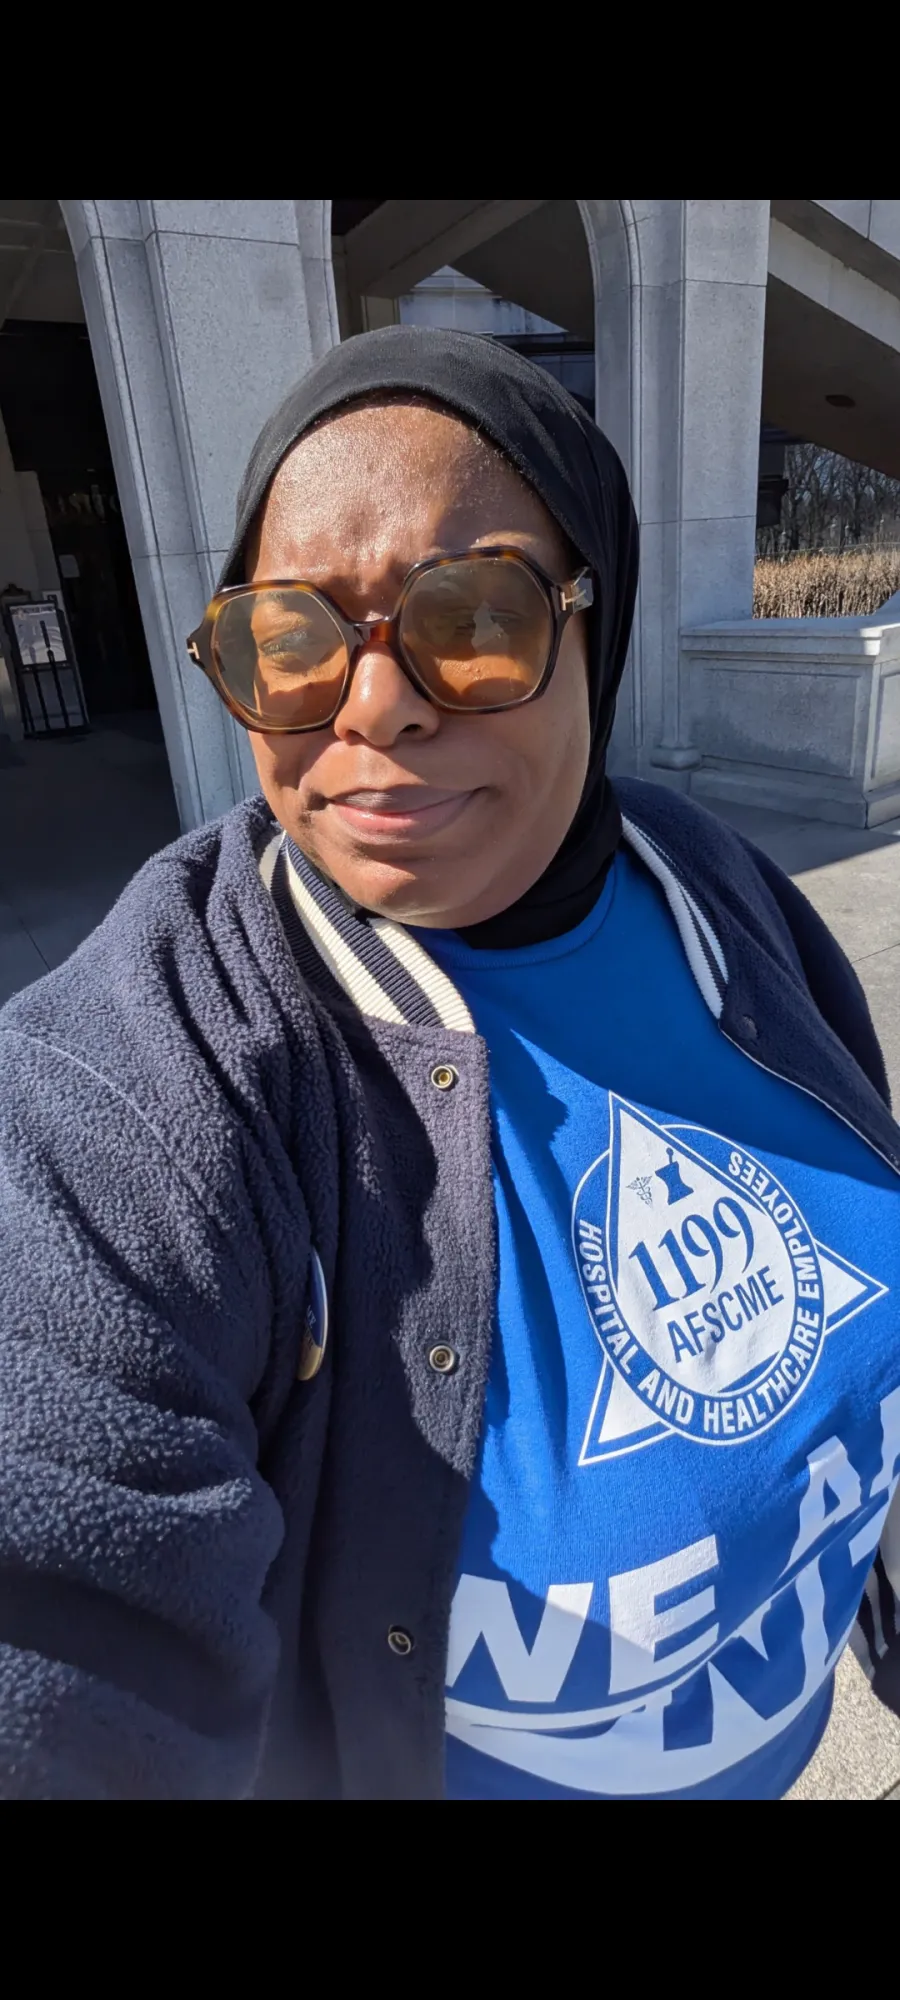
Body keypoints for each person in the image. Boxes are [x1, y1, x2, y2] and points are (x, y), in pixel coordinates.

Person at [1, 326, 899, 1801]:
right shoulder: (141, 1093)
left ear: (589, 630)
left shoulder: (712, 886)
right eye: (289, 641)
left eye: (469, 612)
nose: (371, 706)